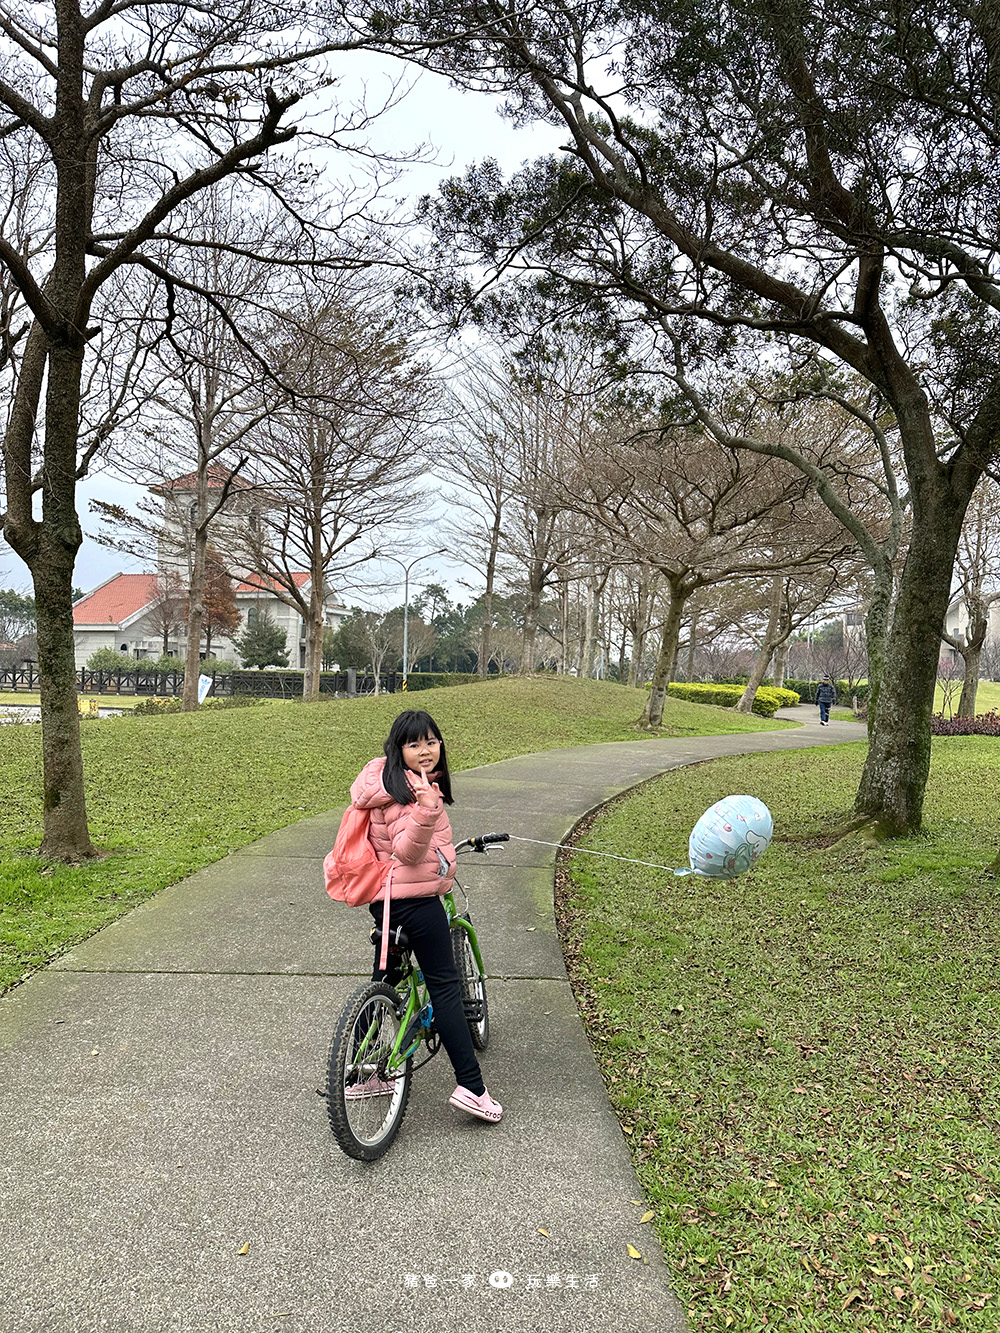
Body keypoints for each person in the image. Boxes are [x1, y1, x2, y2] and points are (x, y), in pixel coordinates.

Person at [348, 708, 503, 1124]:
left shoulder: (385, 783)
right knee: (447, 989)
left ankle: (359, 1072)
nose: (426, 750)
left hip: (386, 901)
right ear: (399, 749)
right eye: (414, 743)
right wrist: (426, 810)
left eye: (432, 741)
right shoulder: (410, 792)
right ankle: (472, 1088)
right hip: (417, 904)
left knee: (386, 979)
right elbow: (408, 850)